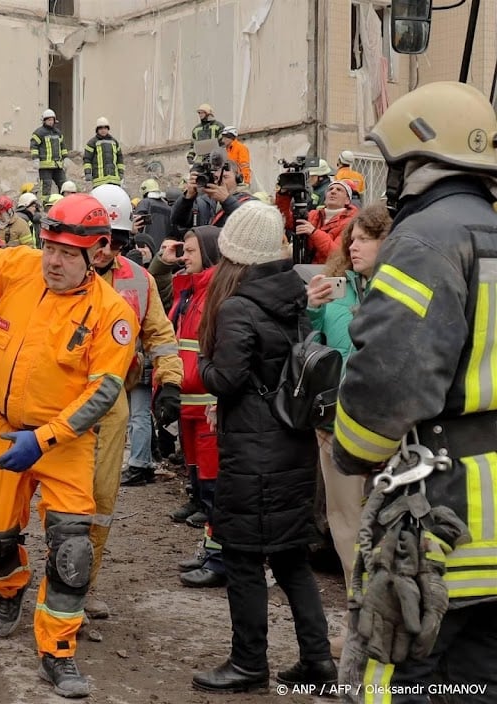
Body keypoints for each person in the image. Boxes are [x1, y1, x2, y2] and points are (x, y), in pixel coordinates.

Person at [333, 81, 497, 702]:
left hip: (443, 526)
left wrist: (351, 450)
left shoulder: (425, 240)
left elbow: (388, 384)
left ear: (414, 161)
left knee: (396, 676)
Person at [0, 193, 137, 699]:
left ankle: (58, 653)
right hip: (5, 429)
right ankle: (10, 588)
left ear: (98, 252)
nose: (53, 261)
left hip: (65, 442)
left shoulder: (112, 312)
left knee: (71, 548)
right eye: (50, 247)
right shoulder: (21, 266)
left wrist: (45, 438)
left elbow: (102, 393)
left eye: (67, 253)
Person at [191, 201, 334, 693]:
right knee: (292, 559)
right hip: (293, 446)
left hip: (253, 452)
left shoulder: (236, 306)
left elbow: (227, 379)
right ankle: (317, 660)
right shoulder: (295, 293)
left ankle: (249, 662)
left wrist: (201, 367)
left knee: (243, 557)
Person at [88, 184, 184, 618]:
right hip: (55, 403)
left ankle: (80, 585)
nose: (105, 248)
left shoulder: (139, 281)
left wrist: (172, 382)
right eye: (98, 237)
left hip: (112, 405)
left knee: (101, 501)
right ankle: (16, 580)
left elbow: (161, 337)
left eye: (114, 239)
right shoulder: (55, 274)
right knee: (49, 501)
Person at [304, 203, 391, 657]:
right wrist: (312, 310)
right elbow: (313, 344)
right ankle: (360, 628)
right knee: (345, 528)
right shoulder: (337, 287)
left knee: (388, 531)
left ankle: (389, 628)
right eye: (350, 239)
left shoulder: (400, 291)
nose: (352, 245)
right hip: (334, 423)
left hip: (388, 425)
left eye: (364, 238)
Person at [169, 226, 226, 588]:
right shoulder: (189, 289)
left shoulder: (214, 292)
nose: (183, 257)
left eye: (190, 251)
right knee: (202, 487)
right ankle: (211, 548)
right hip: (191, 405)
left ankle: (220, 557)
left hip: (207, 405)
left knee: (214, 489)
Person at [171, 159, 254, 231]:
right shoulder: (201, 202)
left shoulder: (249, 202)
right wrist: (188, 198)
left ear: (238, 179)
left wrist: (226, 200)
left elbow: (252, 224)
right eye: (215, 178)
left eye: (225, 177)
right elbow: (177, 221)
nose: (219, 181)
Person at [294, 180, 359, 264]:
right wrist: (283, 196)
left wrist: (314, 232)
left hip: (329, 268)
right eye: (330, 189)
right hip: (307, 264)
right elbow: (289, 223)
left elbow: (336, 254)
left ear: (347, 200)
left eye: (339, 190)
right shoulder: (313, 214)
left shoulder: (351, 222)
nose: (333, 191)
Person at [30, 108, 68, 196]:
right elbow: (34, 146)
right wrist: (35, 159)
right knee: (46, 186)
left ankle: (64, 203)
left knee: (64, 185)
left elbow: (63, 147)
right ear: (44, 121)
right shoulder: (39, 133)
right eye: (48, 120)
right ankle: (46, 205)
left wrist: (65, 158)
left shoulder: (58, 133)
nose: (50, 122)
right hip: (45, 167)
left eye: (52, 120)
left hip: (57, 165)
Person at [83, 117, 125, 187]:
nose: (103, 130)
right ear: (97, 130)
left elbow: (120, 158)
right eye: (101, 128)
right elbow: (87, 159)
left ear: (108, 129)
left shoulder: (114, 142)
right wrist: (88, 173)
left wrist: (121, 172)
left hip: (114, 180)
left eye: (105, 128)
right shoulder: (92, 143)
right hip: (99, 180)